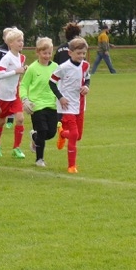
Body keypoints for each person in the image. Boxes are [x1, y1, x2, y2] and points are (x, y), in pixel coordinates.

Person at [50, 36, 91, 173]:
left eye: (83, 53)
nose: (81, 56)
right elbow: (51, 82)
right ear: (70, 53)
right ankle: (71, 166)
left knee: (78, 136)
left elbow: (87, 79)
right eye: (78, 53)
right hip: (66, 105)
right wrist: (60, 97)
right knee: (74, 134)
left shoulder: (85, 65)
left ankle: (62, 133)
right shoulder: (63, 68)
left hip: (80, 104)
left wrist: (86, 86)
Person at [19, 37, 59, 167]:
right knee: (42, 130)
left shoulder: (56, 67)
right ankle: (39, 159)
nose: (47, 56)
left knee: (51, 133)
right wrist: (25, 99)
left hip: (52, 104)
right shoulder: (32, 68)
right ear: (38, 52)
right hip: (36, 105)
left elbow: (61, 83)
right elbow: (23, 85)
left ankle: (34, 137)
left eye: (49, 53)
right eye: (44, 53)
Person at [0, 27, 27, 159]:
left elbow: (19, 72)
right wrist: (16, 71)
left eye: (22, 40)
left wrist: (24, 69)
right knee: (1, 121)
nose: (21, 43)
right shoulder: (6, 58)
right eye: (18, 41)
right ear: (10, 43)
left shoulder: (22, 57)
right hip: (4, 95)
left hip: (14, 94)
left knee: (20, 119)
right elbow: (0, 74)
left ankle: (16, 148)